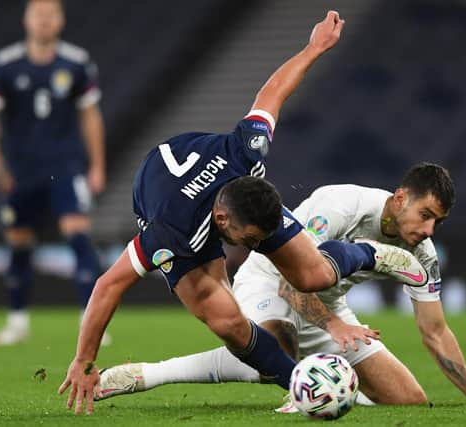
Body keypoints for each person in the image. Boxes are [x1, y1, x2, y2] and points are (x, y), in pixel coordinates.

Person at [57, 10, 429, 415]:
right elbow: (108, 286)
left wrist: (314, 47)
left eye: (260, 239)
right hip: (160, 188)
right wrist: (83, 360)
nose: (255, 248)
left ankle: (373, 253)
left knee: (313, 273)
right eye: (250, 241)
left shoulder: (247, 154)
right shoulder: (172, 233)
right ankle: (296, 385)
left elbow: (271, 92)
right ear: (222, 224)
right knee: (229, 324)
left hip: (220, 182)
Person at [96, 165, 466, 408]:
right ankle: (146, 375)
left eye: (438, 222)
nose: (429, 229)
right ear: (400, 198)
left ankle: (328, 386)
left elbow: (435, 330)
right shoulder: (341, 205)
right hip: (270, 283)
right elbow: (294, 281)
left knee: (409, 403)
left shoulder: (422, 254)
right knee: (275, 351)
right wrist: (336, 328)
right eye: (425, 215)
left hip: (330, 309)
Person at [0, 0, 107, 346]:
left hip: (65, 166)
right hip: (22, 170)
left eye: (51, 15)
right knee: (19, 242)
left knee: (78, 234)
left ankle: (90, 321)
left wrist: (97, 166)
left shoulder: (77, 63)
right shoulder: (5, 65)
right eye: (39, 15)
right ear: (27, 19)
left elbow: (90, 116)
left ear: (61, 20)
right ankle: (17, 322)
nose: (45, 21)